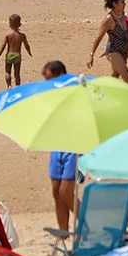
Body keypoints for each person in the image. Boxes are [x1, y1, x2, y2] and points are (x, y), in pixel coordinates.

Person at [39, 60, 77, 231]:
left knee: (65, 192)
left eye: (50, 79)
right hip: (57, 144)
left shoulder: (75, 92)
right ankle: (63, 232)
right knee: (56, 191)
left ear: (61, 75)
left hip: (73, 145)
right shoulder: (51, 94)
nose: (48, 83)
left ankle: (89, 222)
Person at [88, 0, 128, 84]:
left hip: (123, 52)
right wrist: (91, 54)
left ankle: (105, 94)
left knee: (114, 77)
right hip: (113, 52)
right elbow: (99, 37)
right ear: (115, 4)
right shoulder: (109, 19)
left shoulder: (123, 15)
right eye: (122, 2)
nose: (125, 4)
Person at [0, 14, 31, 87]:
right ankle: (17, 87)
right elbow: (26, 45)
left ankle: (9, 86)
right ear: (20, 24)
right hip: (17, 55)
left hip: (9, 55)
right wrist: (29, 52)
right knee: (17, 73)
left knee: (7, 72)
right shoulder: (22, 35)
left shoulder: (8, 35)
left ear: (9, 24)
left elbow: (3, 46)